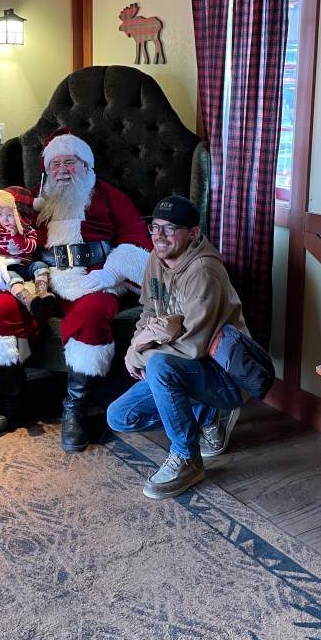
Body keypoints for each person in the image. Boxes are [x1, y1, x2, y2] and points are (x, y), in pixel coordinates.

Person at [0, 129, 151, 449]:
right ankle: (13, 404)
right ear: (46, 169)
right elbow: (2, 231)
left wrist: (113, 271)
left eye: (69, 162)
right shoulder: (31, 199)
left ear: (85, 164)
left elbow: (137, 239)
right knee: (0, 310)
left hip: (92, 279)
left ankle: (75, 409)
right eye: (55, 164)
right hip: (38, 279)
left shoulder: (109, 196)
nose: (62, 170)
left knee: (93, 314)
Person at [106, 194, 249, 500]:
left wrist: (142, 354)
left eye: (170, 229)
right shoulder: (155, 259)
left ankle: (187, 458)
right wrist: (135, 346)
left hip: (222, 374)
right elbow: (148, 311)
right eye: (155, 227)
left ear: (193, 233)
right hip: (180, 367)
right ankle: (206, 417)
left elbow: (194, 347)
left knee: (159, 367)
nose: (159, 236)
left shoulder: (205, 272)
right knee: (119, 416)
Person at [0, 186, 56, 315]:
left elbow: (31, 247)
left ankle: (42, 292)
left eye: (9, 215)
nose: (5, 219)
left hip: (27, 267)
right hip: (10, 268)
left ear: (21, 216)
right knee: (9, 279)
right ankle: (27, 298)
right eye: (1, 215)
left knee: (41, 266)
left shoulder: (29, 231)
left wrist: (18, 237)